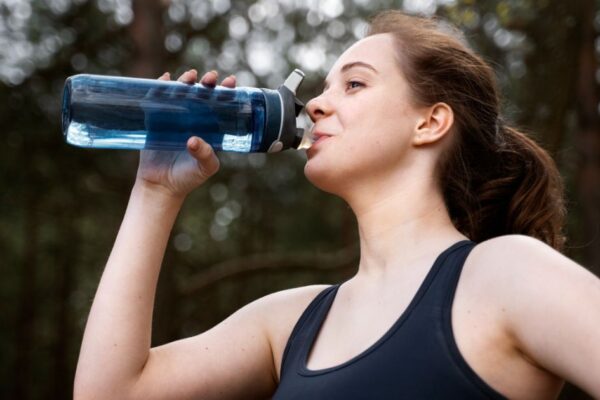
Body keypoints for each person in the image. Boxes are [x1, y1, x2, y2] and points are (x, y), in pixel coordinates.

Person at [73, 10, 600, 400]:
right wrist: (155, 191)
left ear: (430, 122)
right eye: (325, 88)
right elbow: (110, 392)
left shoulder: (505, 276)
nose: (319, 104)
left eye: (354, 84)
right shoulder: (291, 321)